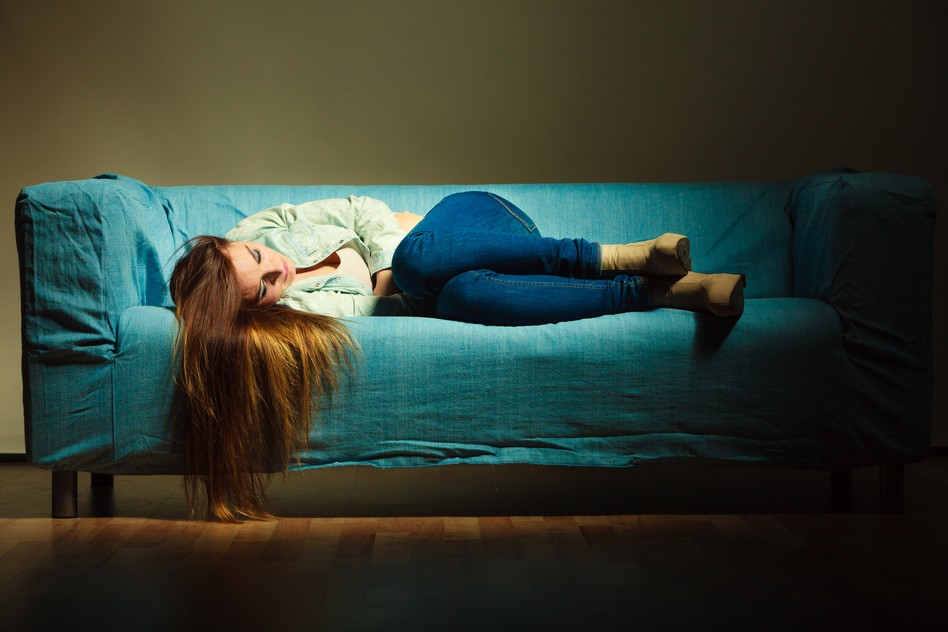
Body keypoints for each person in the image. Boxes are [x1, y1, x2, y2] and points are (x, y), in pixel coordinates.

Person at [169, 191, 744, 521]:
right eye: (266, 286)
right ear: (254, 311)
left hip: (481, 222)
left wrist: (386, 274)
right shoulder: (291, 324)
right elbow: (396, 315)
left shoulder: (261, 226)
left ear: (233, 241)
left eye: (257, 256)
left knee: (419, 260)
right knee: (461, 297)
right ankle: (666, 290)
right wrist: (391, 289)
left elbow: (366, 210)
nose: (278, 268)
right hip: (478, 279)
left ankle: (611, 255)